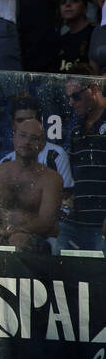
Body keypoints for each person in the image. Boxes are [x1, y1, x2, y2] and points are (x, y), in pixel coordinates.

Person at [0, 118, 63, 250]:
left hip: (34, 238)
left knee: (19, 240)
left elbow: (46, 222)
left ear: (42, 144)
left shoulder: (51, 178)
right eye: (22, 136)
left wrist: (9, 232)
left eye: (34, 138)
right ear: (14, 138)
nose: (27, 142)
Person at [62, 76, 106, 252]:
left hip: (101, 222)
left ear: (94, 89)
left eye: (76, 96)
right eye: (69, 98)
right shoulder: (76, 129)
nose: (72, 103)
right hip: (79, 221)